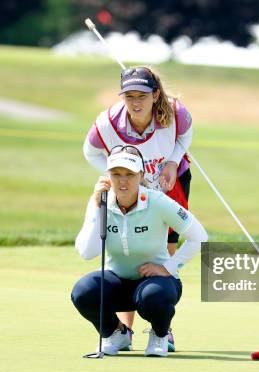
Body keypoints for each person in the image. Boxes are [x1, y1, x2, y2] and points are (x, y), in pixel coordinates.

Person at [82, 66, 194, 343]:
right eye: (129, 95)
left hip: (171, 183)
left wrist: (172, 161)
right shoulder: (107, 123)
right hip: (129, 188)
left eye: (142, 95)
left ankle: (161, 326)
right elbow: (90, 151)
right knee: (127, 248)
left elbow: (185, 136)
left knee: (163, 251)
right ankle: (125, 329)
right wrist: (116, 175)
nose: (135, 102)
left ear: (156, 95)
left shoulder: (175, 113)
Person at [71, 147, 207, 356]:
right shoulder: (101, 201)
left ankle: (160, 334)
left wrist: (168, 267)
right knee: (83, 291)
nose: (122, 181)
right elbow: (87, 252)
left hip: (157, 284)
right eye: (116, 174)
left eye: (129, 174)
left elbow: (199, 236)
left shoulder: (158, 201)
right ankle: (116, 333)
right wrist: (97, 209)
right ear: (108, 176)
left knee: (154, 296)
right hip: (117, 282)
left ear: (141, 175)